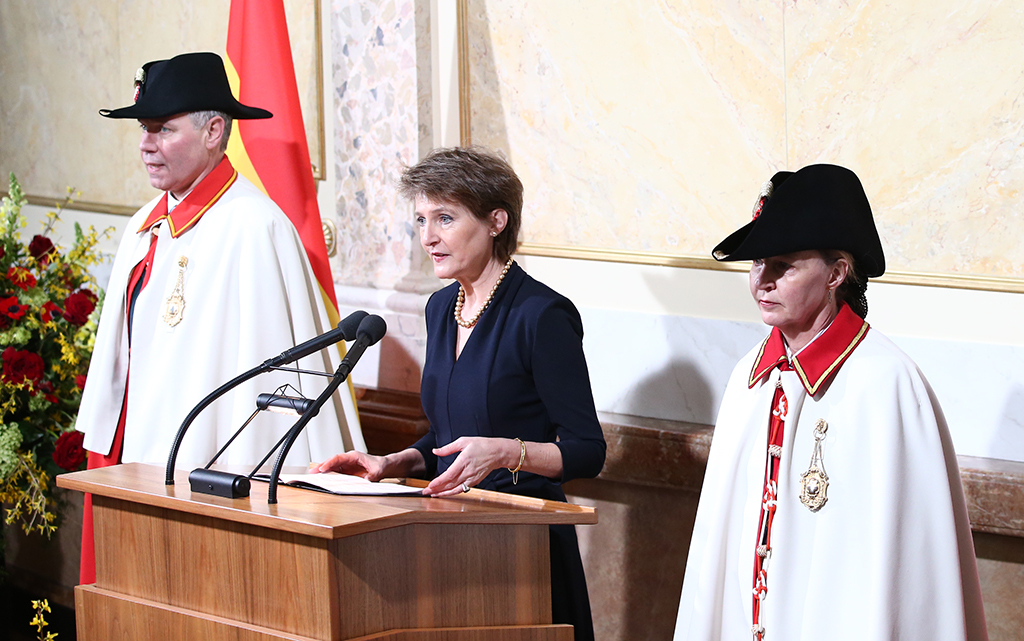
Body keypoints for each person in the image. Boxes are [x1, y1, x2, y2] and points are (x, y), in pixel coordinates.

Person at [77, 52, 364, 582]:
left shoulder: (256, 228)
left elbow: (272, 386)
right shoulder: (145, 223)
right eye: (144, 129)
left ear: (214, 131)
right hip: (134, 457)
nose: (145, 145)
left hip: (206, 474)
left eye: (163, 129)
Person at [672, 164, 987, 641]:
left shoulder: (886, 386)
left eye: (784, 266)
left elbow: (895, 577)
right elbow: (718, 548)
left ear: (837, 272)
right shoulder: (748, 378)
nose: (762, 282)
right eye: (757, 264)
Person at [315, 147, 606, 641]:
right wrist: (396, 462)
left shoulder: (541, 315)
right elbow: (450, 433)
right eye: (422, 219)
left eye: (445, 218)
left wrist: (505, 451)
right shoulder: (441, 307)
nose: (428, 237)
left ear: (496, 221)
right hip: (446, 541)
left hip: (522, 547)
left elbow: (587, 451)